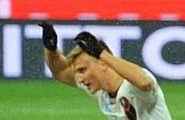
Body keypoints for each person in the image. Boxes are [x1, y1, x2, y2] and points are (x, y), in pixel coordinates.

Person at [39, 21, 172, 120]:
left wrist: (101, 53)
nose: (79, 79)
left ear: (103, 63)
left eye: (82, 70)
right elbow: (60, 72)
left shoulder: (133, 85)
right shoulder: (101, 90)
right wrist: (51, 49)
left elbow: (145, 83)